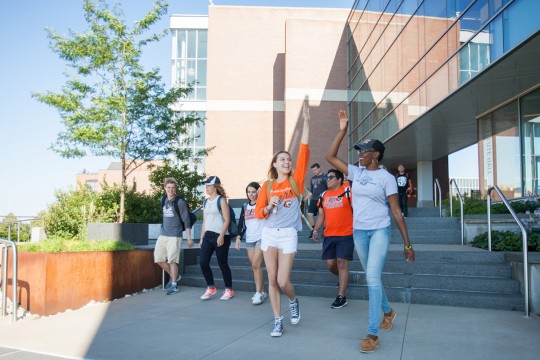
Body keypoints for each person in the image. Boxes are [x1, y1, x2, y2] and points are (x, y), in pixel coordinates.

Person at [326, 110, 415, 354]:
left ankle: (373, 334)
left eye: (363, 152)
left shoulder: (386, 178)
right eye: (359, 152)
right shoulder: (357, 173)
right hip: (359, 232)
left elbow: (396, 212)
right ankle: (388, 311)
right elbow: (330, 156)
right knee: (372, 277)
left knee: (372, 278)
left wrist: (407, 243)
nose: (360, 155)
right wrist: (342, 130)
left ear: (375, 154)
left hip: (379, 231)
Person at [255, 101, 310, 337]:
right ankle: (278, 320)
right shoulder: (266, 186)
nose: (287, 162)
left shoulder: (295, 180)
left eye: (289, 159)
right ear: (275, 164)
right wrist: (268, 205)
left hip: (288, 234)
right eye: (283, 159)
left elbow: (305, 150)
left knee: (283, 279)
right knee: (272, 280)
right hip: (269, 234)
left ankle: (293, 300)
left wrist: (307, 123)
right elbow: (259, 213)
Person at [312, 169, 354, 309]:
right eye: (326, 177)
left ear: (339, 179)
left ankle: (341, 296)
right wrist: (315, 229)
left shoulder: (348, 192)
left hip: (346, 234)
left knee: (342, 263)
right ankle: (343, 279)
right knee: (331, 264)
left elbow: (357, 209)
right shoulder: (323, 195)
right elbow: (321, 216)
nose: (327, 179)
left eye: (330, 177)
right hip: (329, 235)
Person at [154, 178, 194, 295]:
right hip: (163, 234)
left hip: (175, 235)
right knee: (158, 259)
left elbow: (186, 220)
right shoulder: (163, 199)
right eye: (168, 187)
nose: (171, 190)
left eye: (173, 188)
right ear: (165, 188)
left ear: (175, 189)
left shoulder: (179, 202)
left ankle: (174, 285)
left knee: (172, 261)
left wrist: (189, 238)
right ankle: (175, 277)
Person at [199, 176, 235, 301]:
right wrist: (201, 238)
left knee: (222, 263)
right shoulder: (205, 202)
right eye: (206, 185)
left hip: (221, 236)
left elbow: (227, 219)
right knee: (203, 262)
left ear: (215, 187)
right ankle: (211, 287)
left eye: (209, 185)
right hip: (208, 236)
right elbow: (205, 221)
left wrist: (221, 235)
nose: (206, 187)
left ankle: (229, 289)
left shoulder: (221, 200)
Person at [235, 182, 267, 305]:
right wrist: (238, 237)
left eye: (253, 192)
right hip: (250, 240)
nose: (251, 194)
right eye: (249, 192)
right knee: (256, 267)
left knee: (255, 265)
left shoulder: (262, 204)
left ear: (258, 192)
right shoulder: (245, 206)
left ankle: (258, 293)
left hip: (261, 238)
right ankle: (263, 292)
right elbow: (242, 224)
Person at [307, 163, 327, 230]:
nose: (314, 172)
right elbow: (312, 189)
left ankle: (325, 231)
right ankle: (313, 230)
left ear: (319, 168)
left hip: (322, 199)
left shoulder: (325, 177)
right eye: (313, 170)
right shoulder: (312, 178)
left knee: (322, 215)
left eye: (315, 170)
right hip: (314, 199)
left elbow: (328, 189)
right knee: (309, 214)